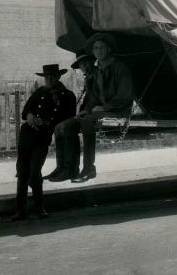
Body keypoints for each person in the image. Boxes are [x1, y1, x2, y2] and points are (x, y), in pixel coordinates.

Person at [62, 32, 133, 183]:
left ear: (108, 49)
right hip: (102, 111)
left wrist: (105, 107)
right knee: (67, 126)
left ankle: (89, 168)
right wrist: (86, 110)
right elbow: (94, 97)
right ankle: (68, 168)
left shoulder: (119, 67)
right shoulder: (98, 70)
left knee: (87, 122)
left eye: (101, 48)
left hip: (118, 111)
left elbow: (125, 96)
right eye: (95, 48)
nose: (98, 51)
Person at [12, 64, 76, 221]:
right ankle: (20, 211)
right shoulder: (40, 92)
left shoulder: (67, 95)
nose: (49, 80)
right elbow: (25, 111)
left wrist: (46, 122)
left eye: (52, 77)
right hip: (26, 136)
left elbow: (69, 118)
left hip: (42, 137)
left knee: (35, 173)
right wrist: (30, 117)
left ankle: (39, 208)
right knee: (22, 173)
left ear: (58, 77)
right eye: (47, 77)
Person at [46, 50, 97, 182]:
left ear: (92, 62)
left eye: (86, 63)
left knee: (73, 127)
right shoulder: (90, 77)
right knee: (59, 128)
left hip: (96, 112)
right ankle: (62, 167)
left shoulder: (98, 75)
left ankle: (83, 168)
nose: (83, 67)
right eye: (81, 64)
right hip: (89, 111)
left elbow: (98, 97)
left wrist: (87, 110)